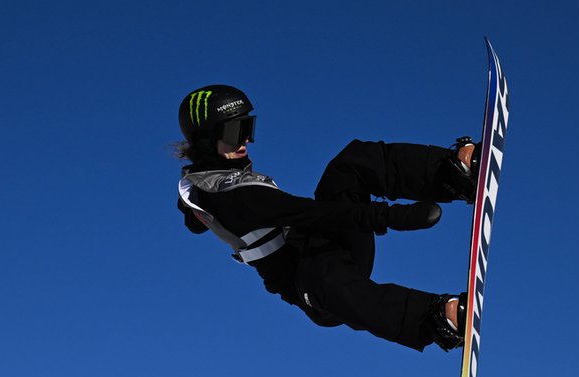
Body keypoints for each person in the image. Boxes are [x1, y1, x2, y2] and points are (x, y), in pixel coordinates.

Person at [174, 85, 482, 353]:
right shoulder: (228, 195)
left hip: (323, 244)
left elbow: (193, 212)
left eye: (247, 127)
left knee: (349, 165)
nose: (246, 140)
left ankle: (454, 172)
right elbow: (310, 213)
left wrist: (193, 213)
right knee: (321, 276)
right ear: (205, 141)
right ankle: (437, 318)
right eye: (234, 132)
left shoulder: (210, 183)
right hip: (313, 288)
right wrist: (391, 217)